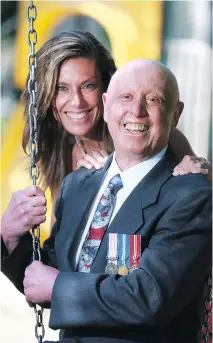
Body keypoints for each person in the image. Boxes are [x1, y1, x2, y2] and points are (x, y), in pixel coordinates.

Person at [1, 59, 211, 343]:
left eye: (154, 100)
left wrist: (57, 286)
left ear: (176, 113)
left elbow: (149, 293)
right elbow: (48, 272)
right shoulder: (78, 186)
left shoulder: (189, 195)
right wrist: (9, 239)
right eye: (126, 97)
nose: (137, 110)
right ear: (107, 105)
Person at [21, 30, 211, 226]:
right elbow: (60, 237)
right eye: (62, 88)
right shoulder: (58, 146)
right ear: (46, 94)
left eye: (88, 86)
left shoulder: (151, 136)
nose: (76, 102)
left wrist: (205, 173)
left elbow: (201, 200)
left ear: (106, 89)